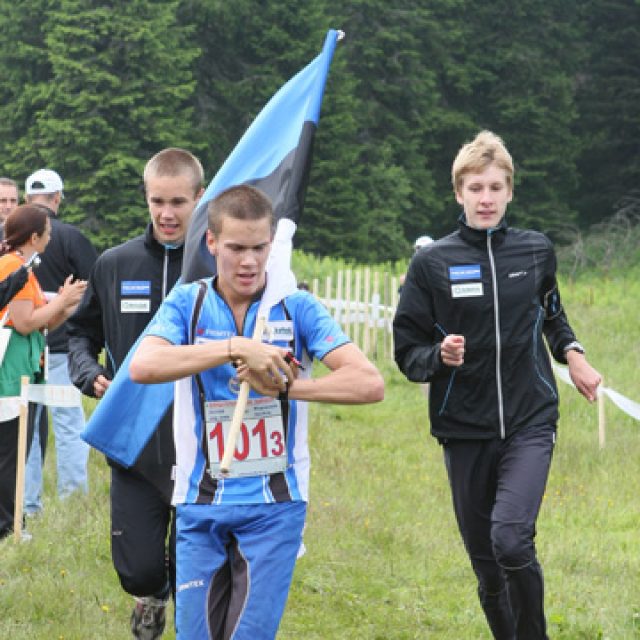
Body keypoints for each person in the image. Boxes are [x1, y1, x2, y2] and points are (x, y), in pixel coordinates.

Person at [129, 184, 385, 639]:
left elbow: (369, 383)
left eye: (259, 248)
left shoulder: (297, 307)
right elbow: (145, 365)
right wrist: (232, 348)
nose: (248, 261)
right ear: (211, 244)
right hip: (199, 502)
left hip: (274, 507)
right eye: (235, 248)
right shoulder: (187, 303)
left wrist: (289, 389)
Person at [393, 130, 602, 640]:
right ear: (458, 193)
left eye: (494, 187)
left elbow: (553, 315)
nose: (485, 199)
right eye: (475, 188)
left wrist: (572, 355)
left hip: (530, 419)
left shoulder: (535, 252)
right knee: (488, 567)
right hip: (463, 428)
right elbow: (406, 349)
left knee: (511, 540)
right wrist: (438, 357)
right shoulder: (431, 264)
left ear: (510, 191)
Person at [67, 148, 204, 639]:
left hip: (202, 445)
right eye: (157, 201)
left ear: (200, 198)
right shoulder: (115, 263)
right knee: (141, 567)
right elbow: (80, 335)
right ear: (145, 199)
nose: (167, 214)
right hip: (133, 442)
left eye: (178, 202)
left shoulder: (220, 265)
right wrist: (89, 373)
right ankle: (151, 596)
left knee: (198, 572)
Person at [0, 204, 86, 540]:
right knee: (10, 451)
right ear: (34, 237)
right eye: (47, 231)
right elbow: (24, 323)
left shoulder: (25, 267)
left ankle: (13, 519)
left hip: (27, 369)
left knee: (20, 448)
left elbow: (45, 323)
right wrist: (62, 301)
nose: (52, 236)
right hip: (12, 372)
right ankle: (8, 526)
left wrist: (64, 305)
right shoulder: (12, 266)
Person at [22, 168, 98, 515]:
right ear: (58, 198)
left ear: (27, 200)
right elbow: (95, 289)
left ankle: (29, 503)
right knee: (68, 424)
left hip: (23, 349)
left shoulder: (12, 241)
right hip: (62, 348)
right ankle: (72, 499)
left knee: (28, 429)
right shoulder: (71, 237)